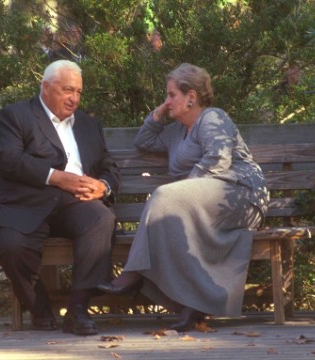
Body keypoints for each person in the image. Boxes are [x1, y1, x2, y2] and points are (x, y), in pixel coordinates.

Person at [97, 63, 269, 331]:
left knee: (166, 195)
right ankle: (191, 305)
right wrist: (158, 114)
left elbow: (218, 160)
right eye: (166, 96)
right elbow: (144, 142)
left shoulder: (213, 118)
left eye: (171, 95)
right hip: (201, 201)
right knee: (171, 211)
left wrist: (182, 191)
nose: (167, 101)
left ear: (192, 97)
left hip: (240, 193)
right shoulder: (175, 133)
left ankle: (133, 273)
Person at [0, 60, 120, 336]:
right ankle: (39, 306)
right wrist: (57, 177)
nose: (74, 99)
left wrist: (103, 187)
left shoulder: (88, 124)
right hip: (24, 202)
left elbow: (108, 165)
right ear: (45, 87)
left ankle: (78, 310)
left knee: (100, 218)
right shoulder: (16, 116)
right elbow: (9, 159)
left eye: (79, 92)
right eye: (68, 90)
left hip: (74, 203)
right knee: (11, 245)